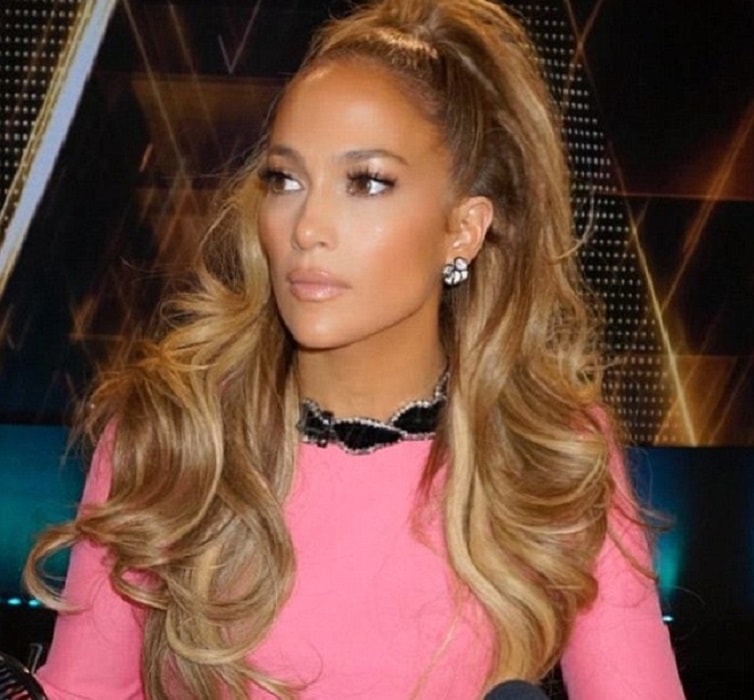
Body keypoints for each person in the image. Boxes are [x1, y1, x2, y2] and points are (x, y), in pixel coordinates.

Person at [25, 0, 686, 698]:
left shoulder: (549, 454)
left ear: (464, 229)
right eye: (284, 179)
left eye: (367, 181)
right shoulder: (172, 436)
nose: (308, 226)